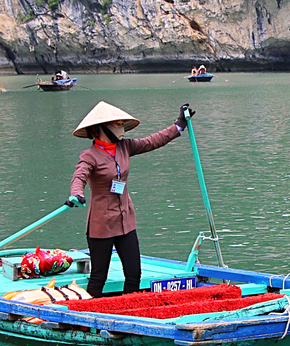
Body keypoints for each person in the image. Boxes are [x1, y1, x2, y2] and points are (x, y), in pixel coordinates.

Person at [66, 101, 196, 297]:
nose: (122, 127)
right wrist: (77, 193)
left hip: (125, 219)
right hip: (101, 223)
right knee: (99, 276)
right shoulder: (89, 155)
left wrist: (179, 125)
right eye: (117, 123)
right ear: (101, 128)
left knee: (134, 273)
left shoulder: (125, 147)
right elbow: (79, 176)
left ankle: (130, 309)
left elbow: (153, 141)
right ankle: (88, 317)